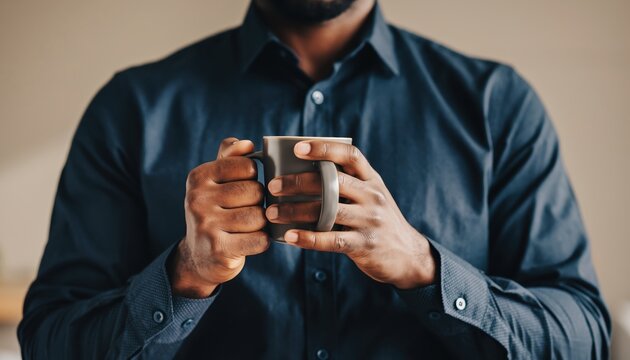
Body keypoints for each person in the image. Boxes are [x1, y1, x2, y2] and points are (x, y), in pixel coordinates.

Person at [18, 0, 611, 358]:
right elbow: (48, 343)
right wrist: (183, 279)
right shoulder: (130, 109)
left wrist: (426, 269)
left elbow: (585, 336)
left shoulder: (496, 106)